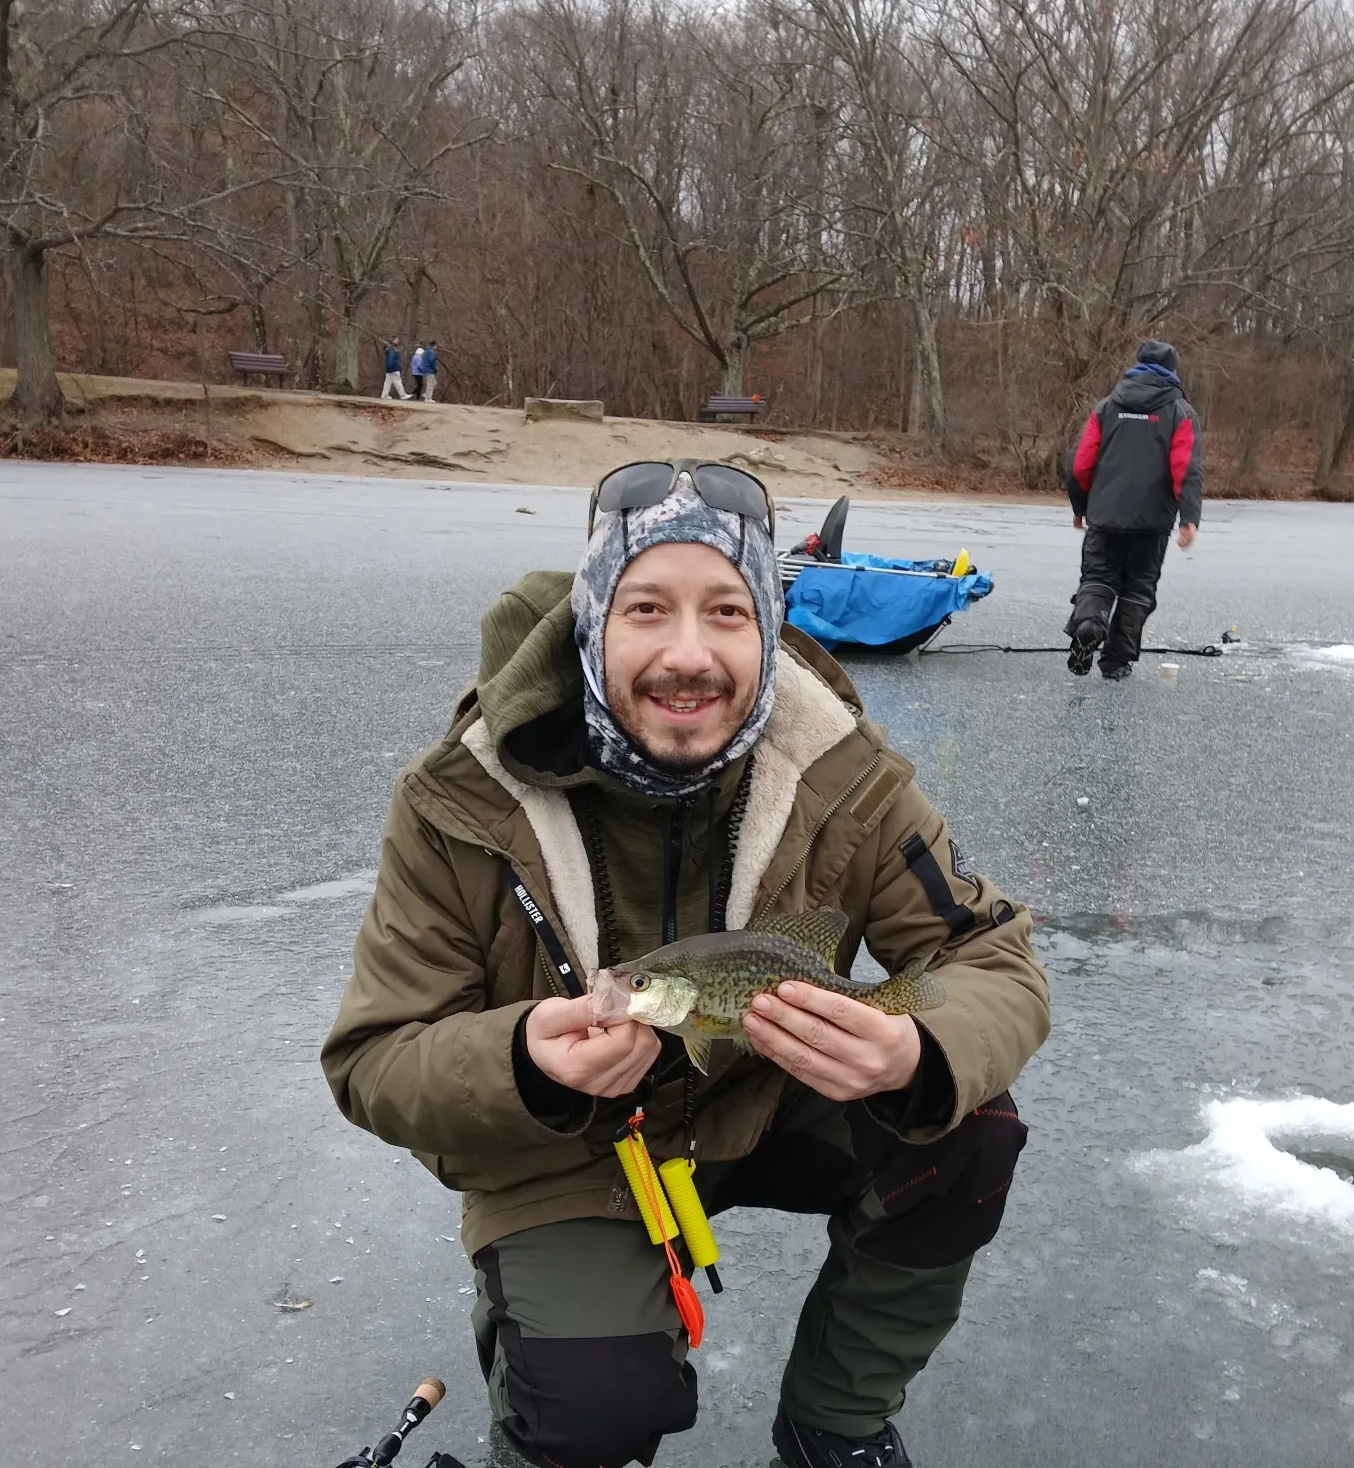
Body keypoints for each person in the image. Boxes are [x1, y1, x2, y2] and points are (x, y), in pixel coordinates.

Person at [322, 459, 1051, 1468]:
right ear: (592, 624)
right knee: (597, 1412)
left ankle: (834, 1423)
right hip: (573, 1150)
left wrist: (913, 1055)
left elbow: (993, 956)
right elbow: (372, 1059)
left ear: (766, 628)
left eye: (726, 612)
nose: (687, 655)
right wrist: (523, 1065)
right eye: (646, 610)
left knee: (967, 1132)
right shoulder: (458, 798)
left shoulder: (845, 772)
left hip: (757, 1096)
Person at [1064, 339, 1203, 680]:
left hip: (1105, 516)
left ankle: (1088, 625)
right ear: (1172, 371)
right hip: (1152, 522)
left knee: (1097, 578)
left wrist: (1080, 506)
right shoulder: (1180, 412)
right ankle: (1116, 661)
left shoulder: (1107, 407)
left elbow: (1080, 463)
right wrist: (1189, 519)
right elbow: (1185, 470)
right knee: (1137, 589)